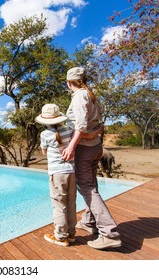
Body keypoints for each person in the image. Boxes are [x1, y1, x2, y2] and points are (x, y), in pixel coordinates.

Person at [61, 66, 122, 250]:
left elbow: (80, 125)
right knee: (91, 184)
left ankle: (109, 233)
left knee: (87, 188)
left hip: (85, 149)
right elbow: (98, 125)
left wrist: (71, 146)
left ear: (68, 82)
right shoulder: (91, 95)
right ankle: (89, 221)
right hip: (95, 146)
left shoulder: (80, 96)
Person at [35, 104, 76, 247]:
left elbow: (45, 153)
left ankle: (60, 237)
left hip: (57, 173)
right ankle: (71, 234)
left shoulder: (45, 134)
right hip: (71, 172)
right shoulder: (69, 130)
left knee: (59, 206)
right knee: (71, 203)